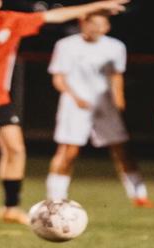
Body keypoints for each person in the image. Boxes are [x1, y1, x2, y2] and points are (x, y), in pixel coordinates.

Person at [0, 0, 130, 225]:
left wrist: (97, 6)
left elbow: (56, 15)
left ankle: (10, 207)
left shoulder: (10, 21)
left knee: (16, 149)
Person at [46, 10, 148, 206]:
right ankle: (55, 198)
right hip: (75, 105)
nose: (97, 29)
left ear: (108, 27)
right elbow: (59, 78)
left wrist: (119, 99)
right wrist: (76, 98)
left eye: (102, 25)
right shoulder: (66, 45)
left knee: (122, 150)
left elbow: (116, 75)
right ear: (83, 23)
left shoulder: (116, 47)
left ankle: (139, 195)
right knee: (68, 152)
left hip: (104, 105)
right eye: (93, 24)